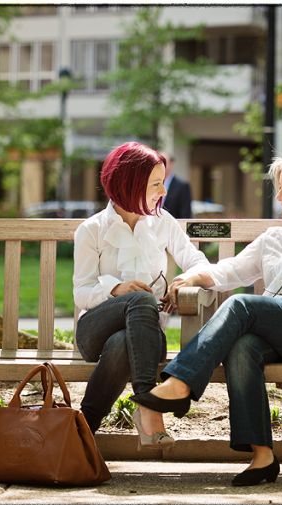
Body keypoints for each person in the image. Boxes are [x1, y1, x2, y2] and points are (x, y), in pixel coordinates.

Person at [130, 147, 282, 486]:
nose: (280, 196)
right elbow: (230, 271)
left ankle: (180, 383)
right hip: (277, 331)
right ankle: (262, 456)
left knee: (242, 305)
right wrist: (193, 277)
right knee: (243, 346)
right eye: (280, 188)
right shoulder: (275, 238)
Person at [73, 141, 210, 451]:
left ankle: (83, 429)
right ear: (129, 184)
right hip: (93, 332)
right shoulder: (92, 230)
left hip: (145, 340)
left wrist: (185, 278)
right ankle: (149, 404)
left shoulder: (163, 223)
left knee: (123, 341)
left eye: (163, 182)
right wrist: (116, 289)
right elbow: (81, 293)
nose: (163, 191)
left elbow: (198, 262)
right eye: (156, 184)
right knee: (141, 299)